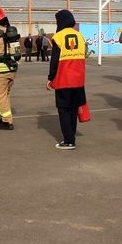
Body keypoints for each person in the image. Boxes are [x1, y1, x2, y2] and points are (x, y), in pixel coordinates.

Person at [46, 10, 87, 150]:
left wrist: (50, 78)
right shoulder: (80, 36)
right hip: (79, 79)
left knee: (63, 109)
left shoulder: (58, 37)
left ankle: (69, 140)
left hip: (64, 79)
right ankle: (72, 136)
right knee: (74, 109)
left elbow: (55, 61)